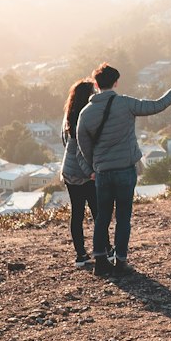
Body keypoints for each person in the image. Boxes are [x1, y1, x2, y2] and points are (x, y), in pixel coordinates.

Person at [76, 62, 171, 277]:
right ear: (116, 83)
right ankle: (121, 262)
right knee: (123, 216)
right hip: (125, 169)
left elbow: (82, 143)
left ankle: (100, 262)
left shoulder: (86, 113)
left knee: (103, 216)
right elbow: (155, 106)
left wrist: (93, 167)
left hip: (103, 172)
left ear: (96, 84)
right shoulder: (125, 103)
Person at [60, 78, 97, 266]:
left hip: (68, 170)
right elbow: (85, 148)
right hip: (85, 171)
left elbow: (65, 142)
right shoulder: (87, 116)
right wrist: (91, 170)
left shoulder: (69, 115)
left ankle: (81, 255)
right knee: (98, 211)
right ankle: (104, 249)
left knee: (77, 213)